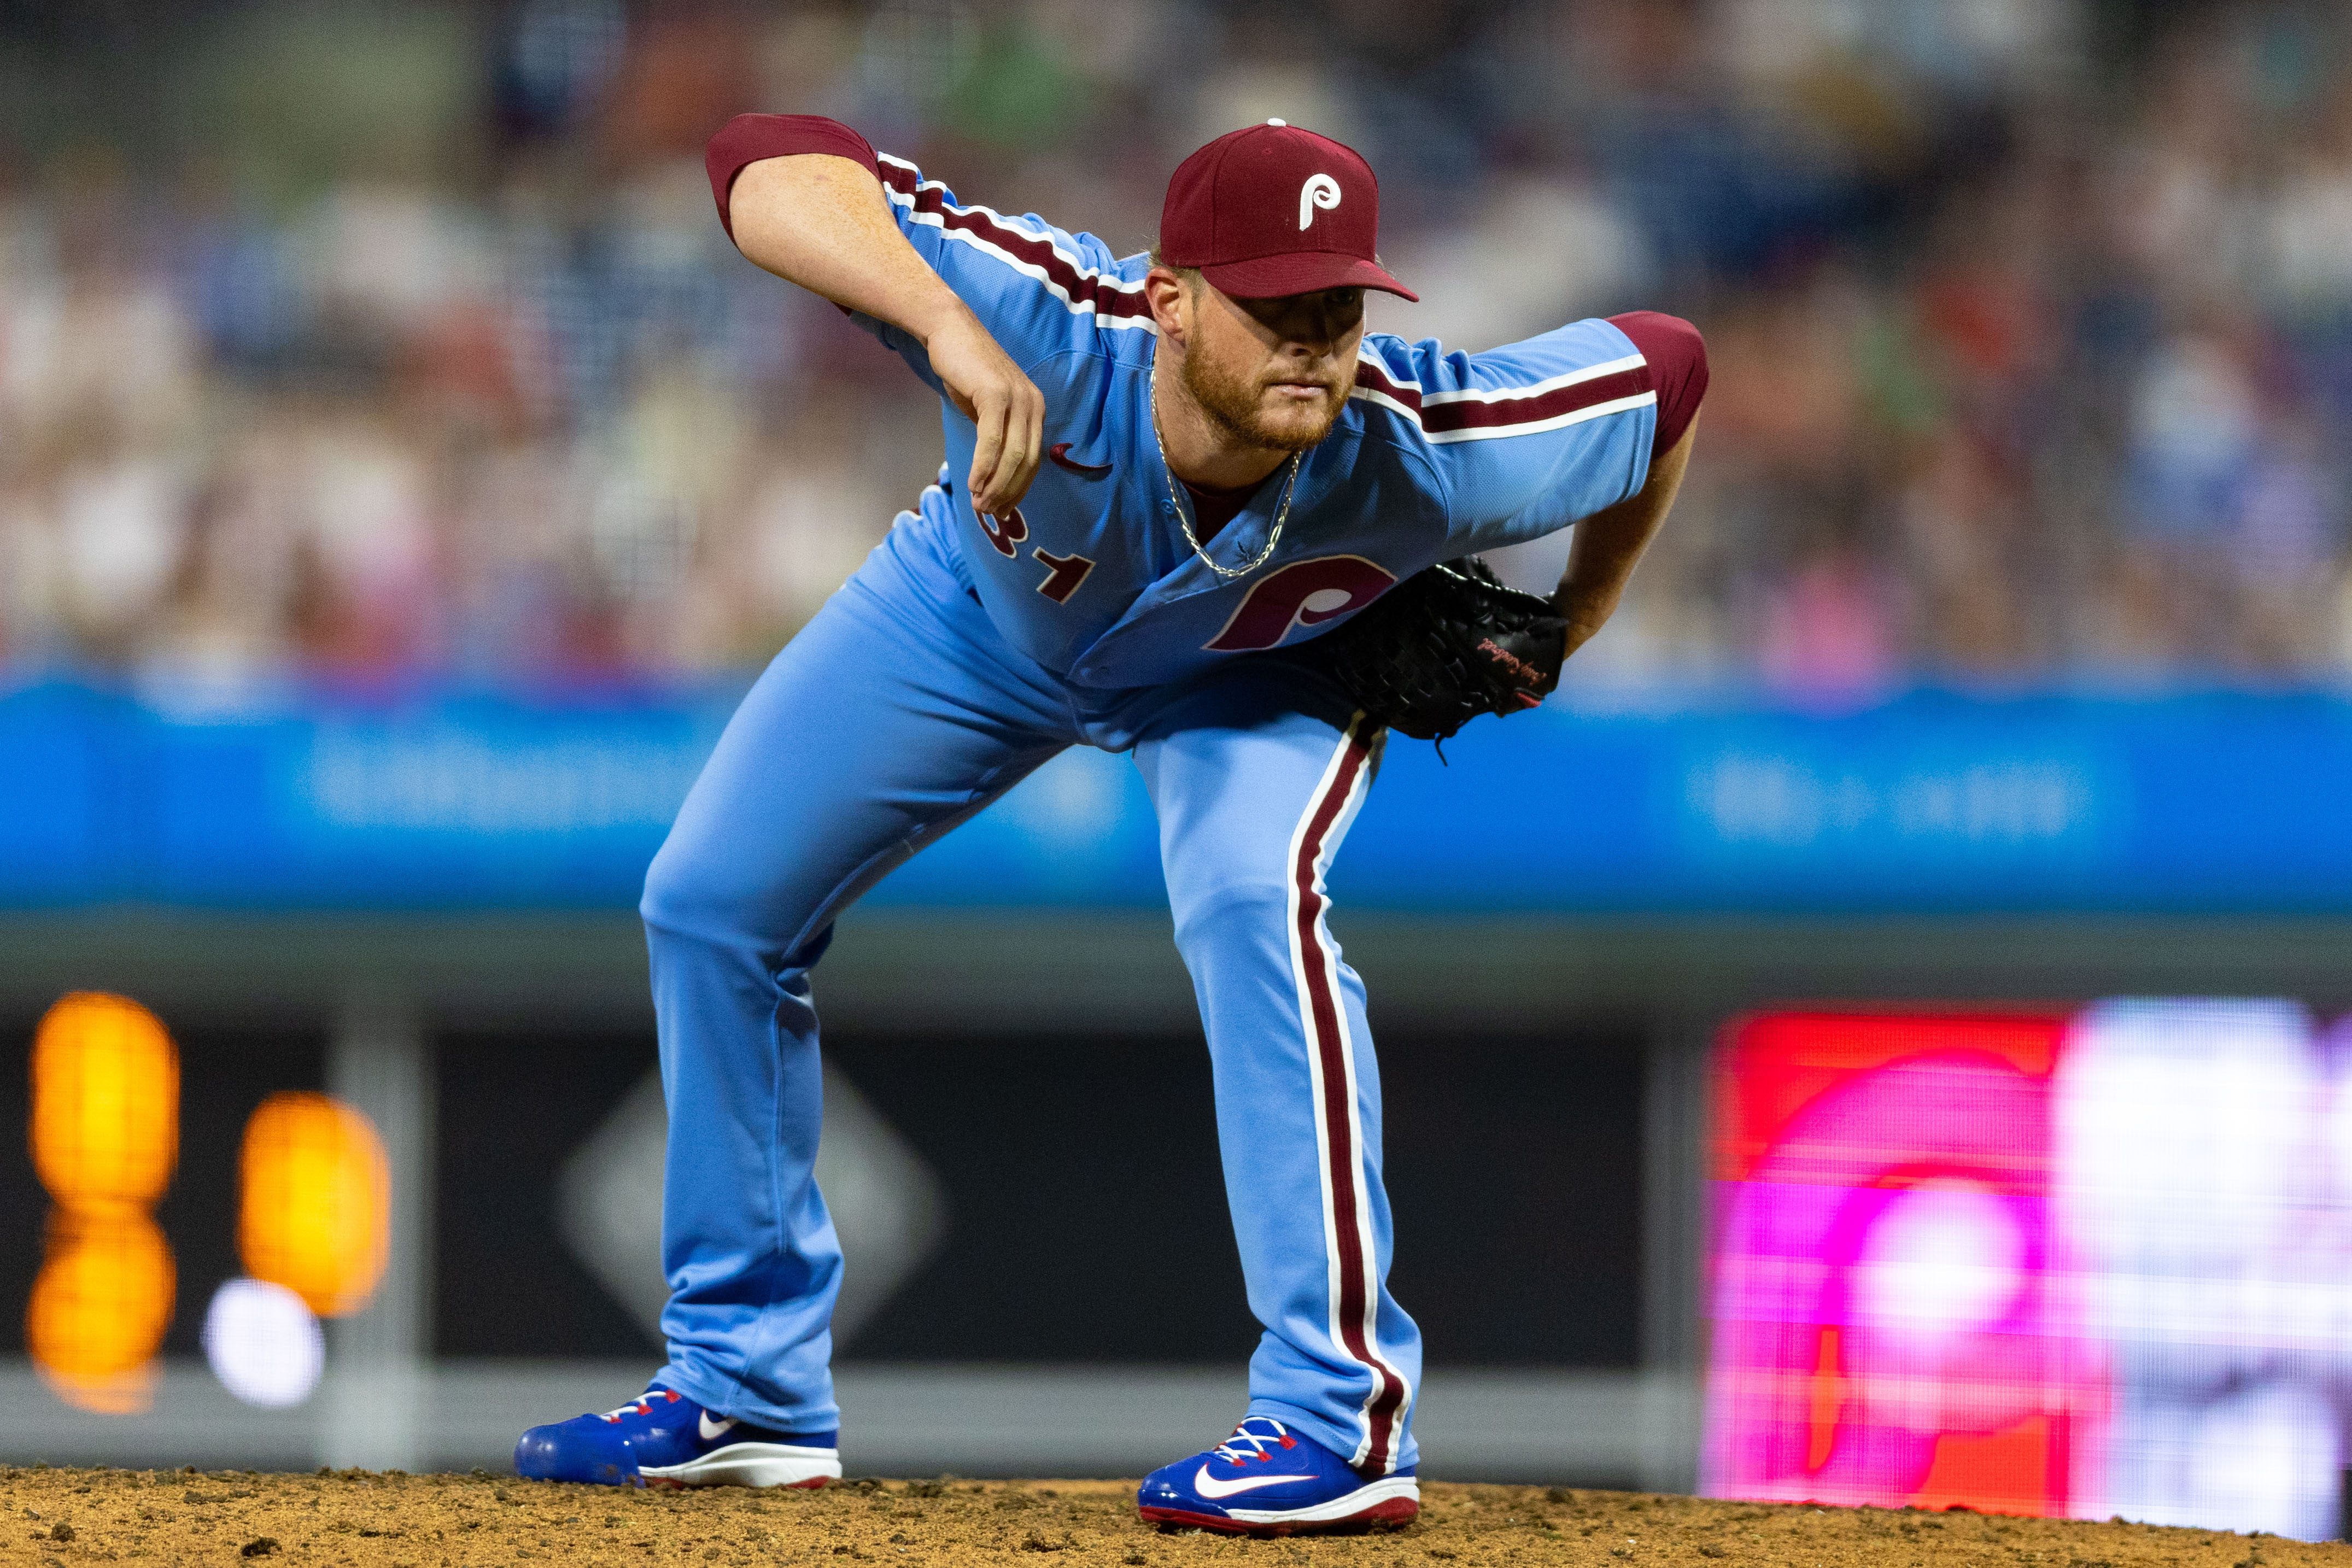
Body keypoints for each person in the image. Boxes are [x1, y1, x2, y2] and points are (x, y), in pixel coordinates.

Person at [514, 112, 1705, 1534]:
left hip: (1252, 683)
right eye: (1274, 309)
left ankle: (1336, 1415)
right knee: (708, 899)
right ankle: (744, 1386)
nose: (1314, 344)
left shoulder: (1430, 443)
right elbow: (758, 161)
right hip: (975, 620)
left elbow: (1668, 376)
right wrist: (942, 330)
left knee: (1250, 901)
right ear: (1170, 299)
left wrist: (1581, 614)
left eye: (1337, 307)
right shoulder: (1051, 326)